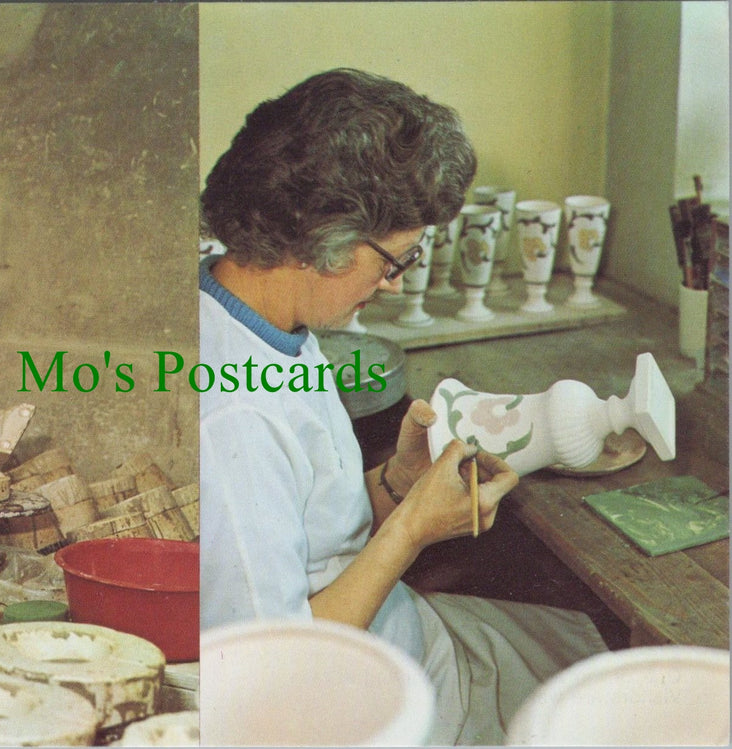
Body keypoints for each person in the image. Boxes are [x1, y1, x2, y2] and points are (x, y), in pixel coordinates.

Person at [199, 70, 606, 745]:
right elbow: (269, 673)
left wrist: (397, 484)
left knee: (598, 654)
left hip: (402, 635)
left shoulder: (264, 316)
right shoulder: (232, 416)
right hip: (356, 708)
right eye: (396, 260)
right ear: (324, 239)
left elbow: (310, 532)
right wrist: (413, 526)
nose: (393, 285)